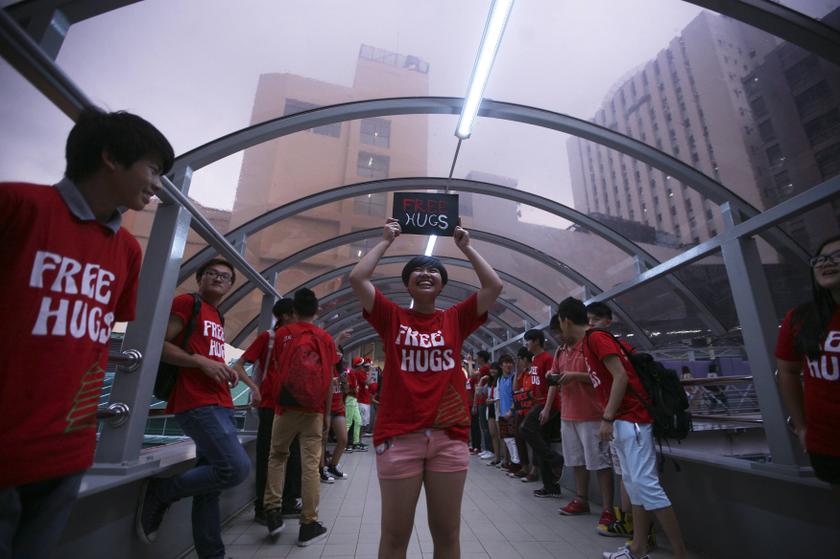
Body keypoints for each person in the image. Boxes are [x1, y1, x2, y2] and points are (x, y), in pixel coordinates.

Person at [0, 108, 173, 559]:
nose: (157, 185)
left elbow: (103, 326)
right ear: (111, 157)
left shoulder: (127, 250)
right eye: (153, 169)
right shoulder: (17, 207)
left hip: (69, 448)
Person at [349, 218, 502, 559]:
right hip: (399, 437)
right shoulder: (391, 317)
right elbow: (358, 278)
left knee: (447, 534)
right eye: (418, 270)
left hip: (449, 438)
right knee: (394, 535)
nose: (426, 273)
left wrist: (466, 247)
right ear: (407, 284)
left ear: (442, 284)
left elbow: (493, 287)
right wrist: (386, 241)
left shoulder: (455, 319)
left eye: (434, 270)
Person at [137, 258, 251, 559]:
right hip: (196, 401)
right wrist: (199, 361)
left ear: (230, 286)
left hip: (220, 401)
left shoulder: (217, 315)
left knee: (208, 488)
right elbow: (160, 345)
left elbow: (207, 353)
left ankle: (212, 554)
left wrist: (223, 369)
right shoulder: (188, 303)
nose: (218, 279)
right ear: (200, 278)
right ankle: (161, 491)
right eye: (212, 274)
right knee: (235, 468)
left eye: (225, 277)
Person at [573, 296, 687, 559]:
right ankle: (638, 547)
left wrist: (608, 417)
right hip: (625, 422)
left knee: (647, 485)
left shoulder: (598, 339)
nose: (592, 325)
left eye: (595, 320)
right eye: (589, 320)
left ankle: (680, 554)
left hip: (631, 420)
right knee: (636, 486)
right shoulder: (601, 342)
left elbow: (621, 376)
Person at [262, 288, 337, 546]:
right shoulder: (326, 338)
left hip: (284, 408)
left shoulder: (282, 333)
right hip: (313, 411)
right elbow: (328, 379)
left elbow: (277, 369)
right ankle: (308, 523)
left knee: (277, 456)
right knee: (310, 465)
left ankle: (272, 511)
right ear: (317, 310)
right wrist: (326, 413)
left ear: (293, 311)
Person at [776, 236, 840, 489]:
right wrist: (802, 427)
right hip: (825, 444)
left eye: (836, 256)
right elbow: (787, 371)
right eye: (820, 260)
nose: (826, 263)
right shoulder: (801, 319)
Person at [231, 298, 302, 524]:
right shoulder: (268, 338)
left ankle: (289, 502)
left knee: (293, 455)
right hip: (270, 405)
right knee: (268, 455)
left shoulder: (300, 339)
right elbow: (239, 365)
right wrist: (254, 388)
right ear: (284, 316)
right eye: (294, 313)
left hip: (293, 406)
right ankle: (262, 506)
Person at [549, 304, 615, 532]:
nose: (559, 335)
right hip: (568, 413)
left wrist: (576, 376)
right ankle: (581, 499)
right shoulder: (560, 351)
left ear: (566, 322)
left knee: (600, 462)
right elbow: (557, 374)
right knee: (576, 460)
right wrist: (553, 377)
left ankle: (608, 508)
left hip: (592, 414)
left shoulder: (591, 345)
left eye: (559, 329)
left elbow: (606, 377)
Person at [520, 329, 564, 498]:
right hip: (538, 402)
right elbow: (538, 384)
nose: (526, 344)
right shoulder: (534, 360)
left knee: (526, 429)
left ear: (537, 341)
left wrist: (546, 408)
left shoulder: (547, 359)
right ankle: (550, 485)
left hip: (547, 404)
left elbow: (553, 385)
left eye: (528, 341)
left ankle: (555, 459)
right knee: (542, 440)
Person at [344, 357, 367, 452]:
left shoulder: (354, 373)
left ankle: (355, 443)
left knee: (358, 421)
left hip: (354, 399)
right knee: (348, 423)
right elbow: (347, 388)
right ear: (359, 366)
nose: (363, 367)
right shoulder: (351, 374)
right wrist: (354, 390)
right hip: (350, 399)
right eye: (362, 365)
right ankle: (344, 444)